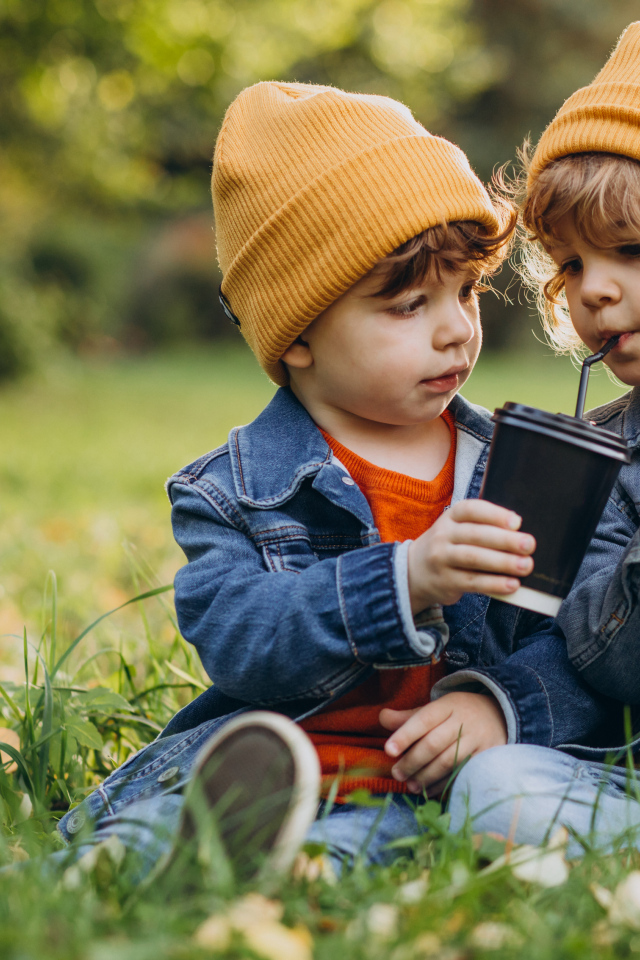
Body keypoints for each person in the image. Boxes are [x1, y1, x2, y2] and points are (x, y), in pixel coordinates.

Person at [56, 82, 616, 878]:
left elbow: (578, 639)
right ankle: (131, 861)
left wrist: (500, 704)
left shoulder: (513, 469)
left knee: (357, 848)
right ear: (299, 334)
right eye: (410, 304)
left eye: (467, 291)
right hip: (247, 770)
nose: (456, 328)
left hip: (404, 795)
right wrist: (406, 577)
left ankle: (260, 863)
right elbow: (241, 639)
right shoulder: (236, 491)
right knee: (146, 830)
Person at [448, 22, 640, 856]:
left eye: (629, 250)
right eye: (568, 262)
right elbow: (602, 664)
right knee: (495, 788)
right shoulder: (604, 459)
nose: (593, 289)